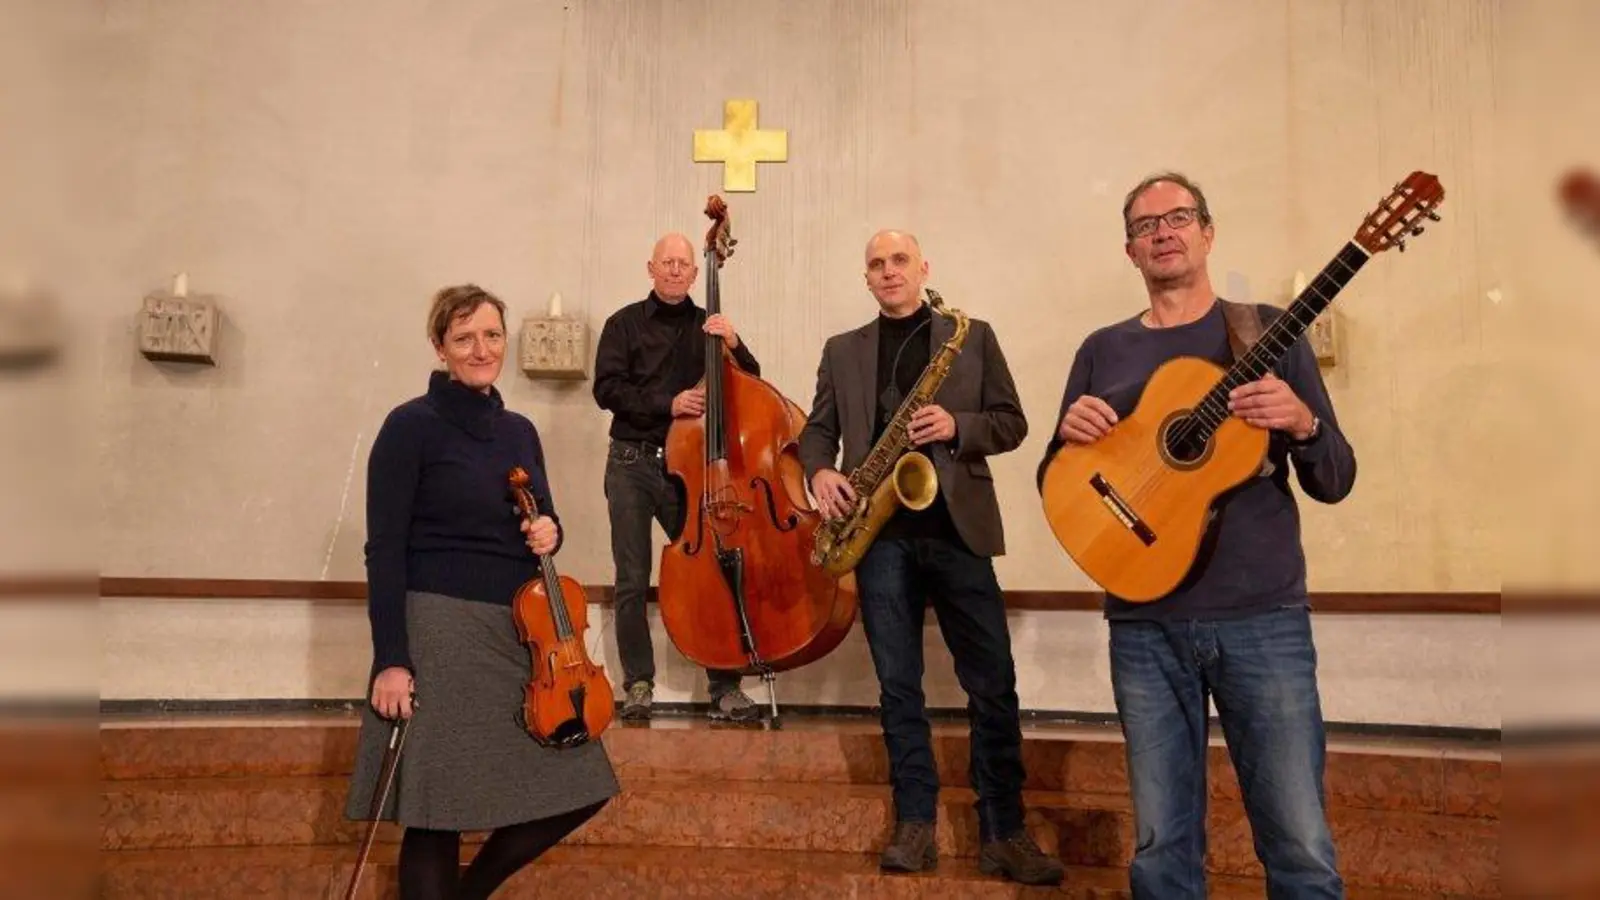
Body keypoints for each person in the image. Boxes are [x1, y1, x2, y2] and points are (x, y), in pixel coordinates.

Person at [1038, 172, 1356, 899]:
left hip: (1261, 616)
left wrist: (1303, 422)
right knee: (1160, 846)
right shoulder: (1103, 349)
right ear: (1130, 251)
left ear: (1207, 233)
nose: (1163, 232)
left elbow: (1336, 478)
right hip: (1143, 623)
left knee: (1299, 841)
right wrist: (1065, 438)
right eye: (1145, 225)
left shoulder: (1266, 334)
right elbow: (1061, 479)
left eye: (1178, 217)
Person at [798, 230, 1064, 886]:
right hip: (879, 533)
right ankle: (914, 823)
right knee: (898, 686)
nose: (888, 271)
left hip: (958, 529)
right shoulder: (841, 350)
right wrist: (820, 471)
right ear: (866, 278)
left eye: (899, 261)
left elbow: (1012, 422)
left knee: (993, 682)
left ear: (924, 268)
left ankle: (1004, 831)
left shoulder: (972, 337)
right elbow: (817, 431)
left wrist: (957, 426)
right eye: (876, 264)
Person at [345, 284, 619, 899]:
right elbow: (383, 550)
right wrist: (391, 658)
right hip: (438, 630)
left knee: (582, 782)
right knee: (436, 809)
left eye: (492, 335)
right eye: (464, 337)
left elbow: (540, 516)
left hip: (514, 632)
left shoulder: (520, 431)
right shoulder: (410, 426)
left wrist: (551, 529)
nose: (481, 349)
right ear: (439, 346)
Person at [591, 232, 762, 722]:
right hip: (631, 462)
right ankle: (639, 684)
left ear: (694, 272)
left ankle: (724, 686)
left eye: (682, 264)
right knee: (631, 578)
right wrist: (668, 404)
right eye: (665, 262)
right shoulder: (623, 324)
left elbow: (750, 382)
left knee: (710, 572)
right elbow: (607, 390)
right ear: (651, 268)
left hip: (688, 468)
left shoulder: (709, 328)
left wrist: (734, 343)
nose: (673, 270)